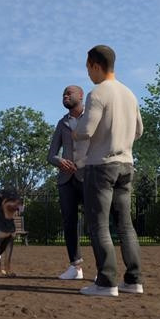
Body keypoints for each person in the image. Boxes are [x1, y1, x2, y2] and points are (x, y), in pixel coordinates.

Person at [73, 45, 144, 297]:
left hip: (101, 165)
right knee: (126, 226)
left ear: (94, 65)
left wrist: (74, 131)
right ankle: (133, 280)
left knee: (99, 225)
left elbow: (85, 131)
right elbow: (139, 130)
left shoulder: (98, 93)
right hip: (126, 164)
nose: (88, 73)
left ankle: (106, 282)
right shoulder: (129, 94)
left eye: (87, 68)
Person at [47, 85, 88, 280]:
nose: (65, 96)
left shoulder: (92, 117)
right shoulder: (61, 123)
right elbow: (51, 154)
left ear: (80, 96)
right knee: (69, 223)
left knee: (97, 224)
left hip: (89, 176)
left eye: (68, 93)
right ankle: (75, 267)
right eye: (63, 94)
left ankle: (103, 270)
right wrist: (59, 161)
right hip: (66, 180)